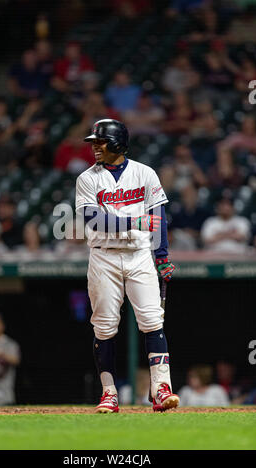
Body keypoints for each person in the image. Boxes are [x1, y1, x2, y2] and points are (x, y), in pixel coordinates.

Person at [75, 119, 179, 413]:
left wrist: (162, 258)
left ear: (118, 143)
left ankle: (161, 388)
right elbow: (93, 220)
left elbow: (158, 218)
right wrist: (135, 221)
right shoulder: (87, 178)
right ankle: (109, 393)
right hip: (103, 255)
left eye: (100, 141)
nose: (95, 146)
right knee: (105, 326)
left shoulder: (144, 173)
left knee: (151, 320)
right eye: (93, 142)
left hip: (138, 254)